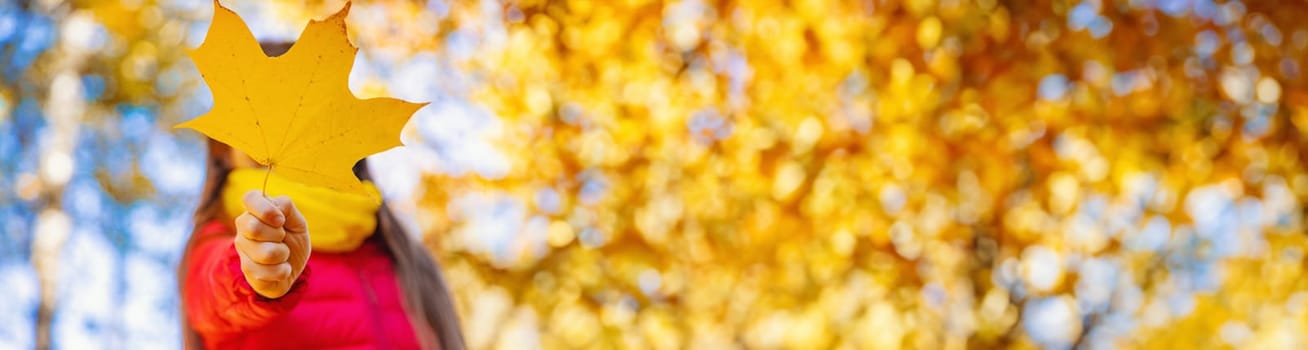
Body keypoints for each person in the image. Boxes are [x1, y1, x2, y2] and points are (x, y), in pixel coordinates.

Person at [177, 42, 464, 350]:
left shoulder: (400, 254)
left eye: (310, 120)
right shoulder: (219, 241)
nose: (286, 130)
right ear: (223, 150)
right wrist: (254, 271)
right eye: (263, 114)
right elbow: (216, 290)